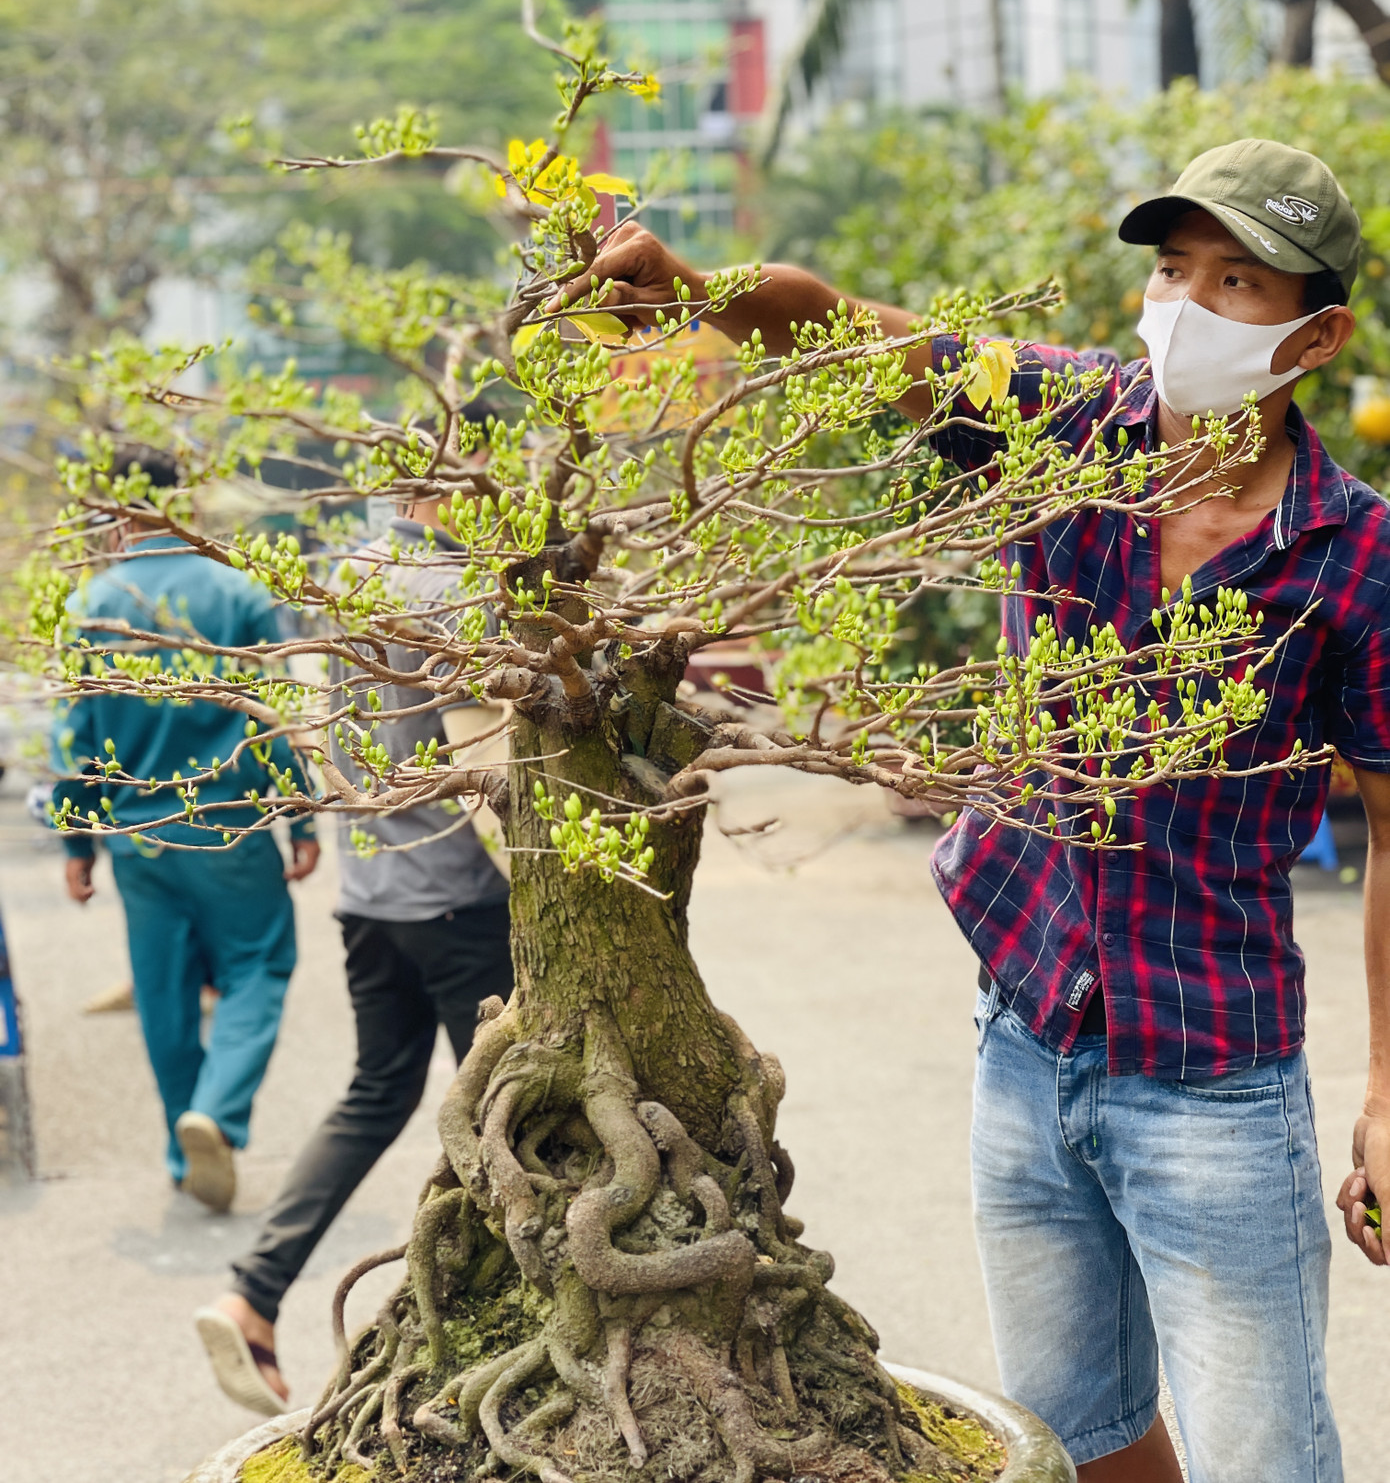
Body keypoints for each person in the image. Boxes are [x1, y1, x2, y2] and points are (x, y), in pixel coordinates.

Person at [561, 139, 1390, 1483]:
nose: (1184, 304)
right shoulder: (1061, 422)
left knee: (1265, 1455)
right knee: (1077, 1426)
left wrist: (1384, 1093)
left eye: (1235, 281)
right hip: (1024, 1032)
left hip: (1212, 1072)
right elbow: (851, 335)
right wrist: (696, 288)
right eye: (1172, 268)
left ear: (1314, 332)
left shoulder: (1357, 555)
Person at [194, 490, 513, 1417]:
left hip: (368, 896)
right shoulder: (455, 584)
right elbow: (486, 746)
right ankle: (486, 1337)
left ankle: (250, 1292)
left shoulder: (349, 571)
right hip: (454, 898)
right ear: (450, 481)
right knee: (508, 1117)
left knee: (380, 1091)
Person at [53, 454, 320, 1214]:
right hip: (230, 825)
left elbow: (74, 740)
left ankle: (182, 1145)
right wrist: (298, 813)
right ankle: (219, 1110)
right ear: (187, 504)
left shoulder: (91, 605)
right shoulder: (239, 591)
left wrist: (77, 842)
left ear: (120, 513)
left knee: (164, 991)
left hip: (139, 838)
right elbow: (273, 713)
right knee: (259, 964)